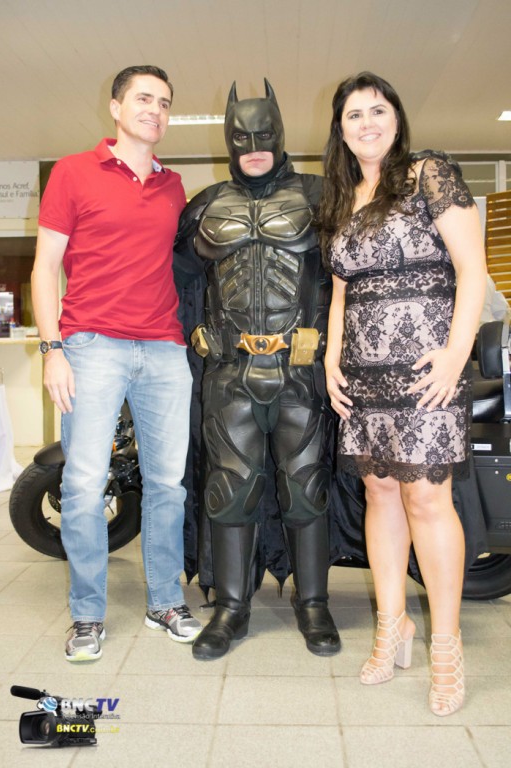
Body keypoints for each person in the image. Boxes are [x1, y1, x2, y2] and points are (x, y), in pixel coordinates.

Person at [318, 72, 487, 715]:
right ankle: (394, 626)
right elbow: (341, 293)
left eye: (377, 110)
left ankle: (446, 646)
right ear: (340, 130)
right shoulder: (343, 196)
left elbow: (472, 268)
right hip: (363, 375)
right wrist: (331, 358)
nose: (367, 123)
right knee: (381, 493)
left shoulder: (427, 174)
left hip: (426, 370)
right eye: (354, 114)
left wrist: (456, 353)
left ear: (396, 117)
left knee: (427, 498)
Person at [31, 65, 202, 662]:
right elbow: (44, 268)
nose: (155, 110)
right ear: (116, 107)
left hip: (163, 349)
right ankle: (87, 614)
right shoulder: (73, 171)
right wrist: (52, 349)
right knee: (82, 485)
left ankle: (165, 601)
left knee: (168, 484)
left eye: (165, 102)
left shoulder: (173, 187)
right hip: (92, 346)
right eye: (143, 98)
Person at [175, 79, 341, 660]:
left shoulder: (321, 196)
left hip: (300, 372)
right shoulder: (205, 206)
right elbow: (173, 282)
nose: (254, 146)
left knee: (307, 488)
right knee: (230, 490)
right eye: (241, 136)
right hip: (229, 372)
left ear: (280, 132)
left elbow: (352, 275)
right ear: (228, 139)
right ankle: (231, 608)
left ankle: (313, 604)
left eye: (264, 134)